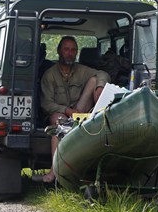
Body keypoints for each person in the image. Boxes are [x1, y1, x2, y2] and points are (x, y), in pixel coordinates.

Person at [35, 36, 110, 183]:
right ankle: (54, 172)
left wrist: (100, 87)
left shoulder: (82, 70)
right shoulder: (49, 75)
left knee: (95, 79)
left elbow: (103, 74)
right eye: (66, 49)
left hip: (80, 111)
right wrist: (67, 111)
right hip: (58, 114)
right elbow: (47, 104)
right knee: (58, 123)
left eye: (73, 50)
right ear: (59, 51)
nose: (70, 53)